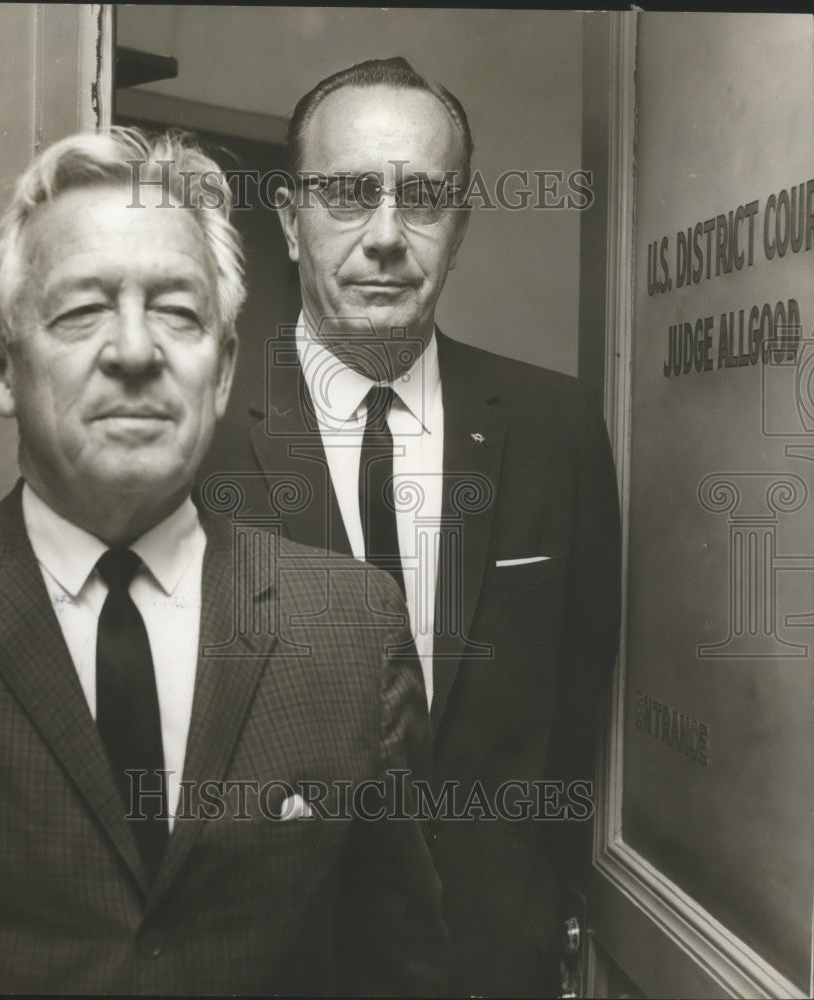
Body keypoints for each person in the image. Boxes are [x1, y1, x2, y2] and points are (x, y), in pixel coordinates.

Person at [0, 127, 447, 995]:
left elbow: (401, 969)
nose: (134, 352)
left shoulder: (350, 628)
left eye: (176, 310)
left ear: (224, 366)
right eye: (82, 310)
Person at [200, 57, 622, 997]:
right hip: (266, 961)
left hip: (491, 956)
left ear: (460, 225)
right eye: (348, 195)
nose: (386, 237)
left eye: (422, 198)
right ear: (286, 218)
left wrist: (545, 903)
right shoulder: (200, 431)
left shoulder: (554, 426)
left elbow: (576, 707)